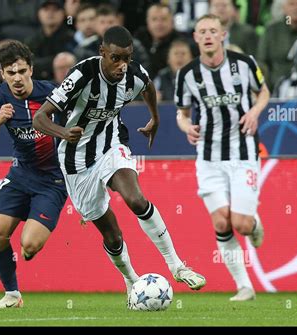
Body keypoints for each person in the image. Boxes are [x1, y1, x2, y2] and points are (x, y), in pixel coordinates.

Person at [33, 26, 206, 304]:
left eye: (126, 58)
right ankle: (131, 279)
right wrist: (64, 132)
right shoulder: (81, 75)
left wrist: (155, 118)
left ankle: (177, 266)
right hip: (75, 161)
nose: (122, 65)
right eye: (115, 58)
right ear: (102, 53)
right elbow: (39, 118)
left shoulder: (134, 74)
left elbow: (149, 88)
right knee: (112, 235)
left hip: (112, 144)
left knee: (136, 199)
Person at [175, 14, 270, 301]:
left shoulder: (245, 64)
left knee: (240, 223)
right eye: (202, 31)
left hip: (243, 154)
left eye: (213, 31)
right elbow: (182, 112)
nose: (207, 36)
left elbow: (263, 92)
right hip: (208, 157)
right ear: (195, 37)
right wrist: (186, 127)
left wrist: (254, 112)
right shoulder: (187, 74)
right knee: (221, 223)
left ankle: (254, 225)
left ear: (223, 35)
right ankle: (244, 286)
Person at [0, 40, 68, 309]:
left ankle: (29, 249)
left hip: (52, 180)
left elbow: (79, 127)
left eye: (21, 71)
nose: (16, 78)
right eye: (10, 72)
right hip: (20, 175)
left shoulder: (52, 93)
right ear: (2, 73)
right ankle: (12, 295)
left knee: (29, 245)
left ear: (31, 70)